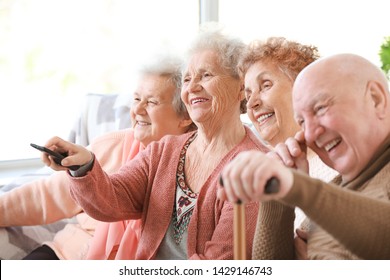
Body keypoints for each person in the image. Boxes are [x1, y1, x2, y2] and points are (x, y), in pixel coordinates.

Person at [40, 27, 269, 260]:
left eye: (206, 75)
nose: (192, 87)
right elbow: (112, 200)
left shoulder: (254, 168)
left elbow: (222, 263)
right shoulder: (164, 150)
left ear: (241, 87)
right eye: (187, 79)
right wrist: (84, 165)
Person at [0, 54, 195, 260]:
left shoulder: (197, 165)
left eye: (151, 102)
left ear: (185, 116)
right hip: (70, 253)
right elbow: (47, 196)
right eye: (136, 99)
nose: (137, 109)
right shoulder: (111, 146)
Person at [218, 53, 390, 259]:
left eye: (320, 108)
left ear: (376, 99)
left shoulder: (323, 197)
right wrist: (277, 198)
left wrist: (295, 186)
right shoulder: (336, 190)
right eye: (302, 122)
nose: (309, 134)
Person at [238, 37, 337, 236]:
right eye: (248, 96)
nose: (251, 104)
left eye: (265, 85)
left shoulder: (338, 164)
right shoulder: (263, 174)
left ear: (305, 88)